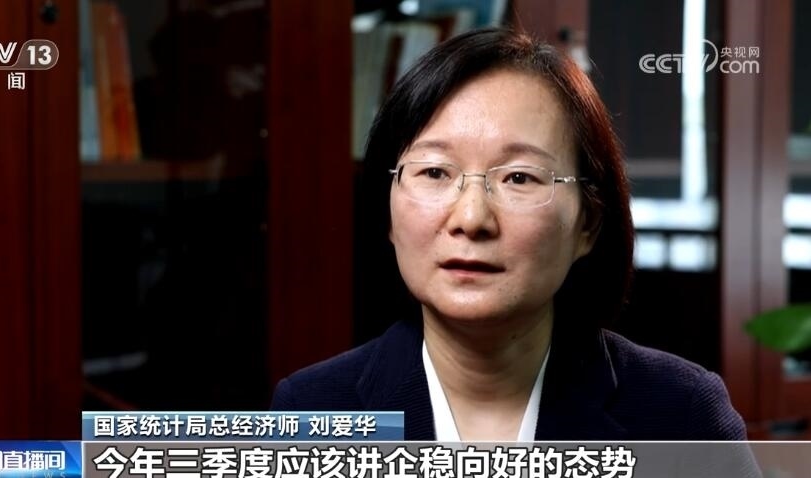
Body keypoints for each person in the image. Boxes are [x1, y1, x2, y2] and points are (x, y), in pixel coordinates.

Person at [271, 27, 747, 441]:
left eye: (519, 177)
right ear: (389, 212)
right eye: (435, 172)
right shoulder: (313, 410)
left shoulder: (682, 414)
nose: (471, 218)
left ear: (588, 223)